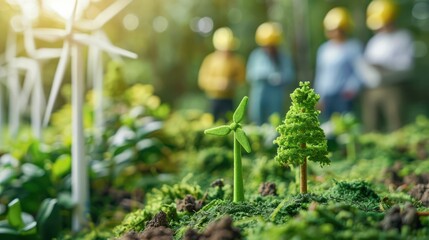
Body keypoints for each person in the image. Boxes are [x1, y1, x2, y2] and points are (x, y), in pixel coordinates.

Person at [360, 0, 414, 132]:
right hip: (372, 89)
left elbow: (407, 67)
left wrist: (385, 67)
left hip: (393, 88)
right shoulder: (375, 41)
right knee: (371, 126)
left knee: (396, 125)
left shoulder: (403, 37)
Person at [314, 7, 363, 123]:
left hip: (344, 96)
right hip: (327, 97)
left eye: (338, 29)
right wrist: (318, 96)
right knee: (328, 128)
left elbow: (359, 72)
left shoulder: (353, 47)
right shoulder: (324, 50)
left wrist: (352, 88)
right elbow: (320, 74)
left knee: (345, 127)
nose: (335, 32)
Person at [246, 22, 295, 125]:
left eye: (272, 46)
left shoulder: (283, 57)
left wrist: (280, 78)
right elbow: (250, 75)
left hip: (276, 96)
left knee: (275, 122)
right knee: (257, 120)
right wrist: (267, 75)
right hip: (259, 95)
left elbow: (290, 75)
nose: (269, 48)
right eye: (267, 46)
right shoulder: (256, 56)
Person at [198, 27, 246, 121]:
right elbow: (202, 80)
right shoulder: (210, 60)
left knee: (229, 122)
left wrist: (231, 83)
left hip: (229, 99)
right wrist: (216, 84)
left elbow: (242, 78)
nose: (226, 52)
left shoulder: (237, 61)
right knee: (211, 123)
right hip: (213, 99)